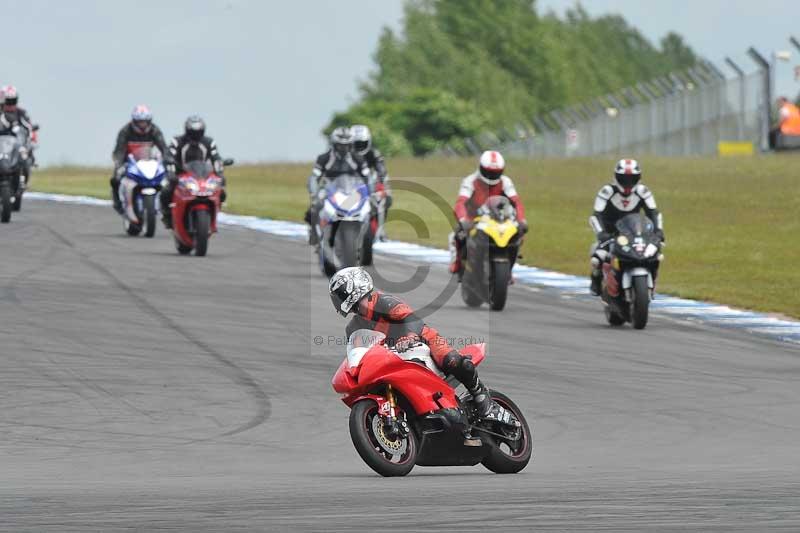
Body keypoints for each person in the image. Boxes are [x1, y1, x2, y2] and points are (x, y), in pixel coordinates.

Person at [329, 267, 520, 443]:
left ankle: (483, 401)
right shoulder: (354, 327)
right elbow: (358, 351)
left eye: (355, 303)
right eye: (351, 306)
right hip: (391, 359)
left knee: (455, 362)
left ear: (359, 289)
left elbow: (410, 318)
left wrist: (409, 336)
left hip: (423, 340)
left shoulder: (385, 302)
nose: (355, 309)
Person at [588, 158, 664, 296]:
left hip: (634, 232)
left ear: (638, 178)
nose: (628, 183)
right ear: (616, 177)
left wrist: (658, 232)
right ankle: (596, 277)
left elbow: (654, 213)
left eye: (631, 178)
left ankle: (650, 283)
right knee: (597, 257)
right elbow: (595, 216)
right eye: (624, 178)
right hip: (611, 234)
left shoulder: (643, 192)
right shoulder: (607, 191)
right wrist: (601, 234)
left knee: (655, 255)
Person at [449, 150, 528, 276]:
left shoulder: (505, 181)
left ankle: (508, 269)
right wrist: (463, 219)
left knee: (518, 233)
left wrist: (521, 219)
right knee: (458, 234)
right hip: (474, 219)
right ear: (481, 168)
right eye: (488, 172)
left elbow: (516, 201)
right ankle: (458, 262)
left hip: (498, 217)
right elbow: (461, 202)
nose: (491, 176)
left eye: (495, 173)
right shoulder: (470, 181)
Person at [304, 126, 369, 245]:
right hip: (330, 190)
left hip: (352, 191)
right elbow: (314, 177)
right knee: (315, 207)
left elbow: (367, 177)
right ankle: (314, 232)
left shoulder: (357, 158)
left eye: (347, 145)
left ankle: (367, 236)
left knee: (370, 208)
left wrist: (371, 192)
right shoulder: (324, 158)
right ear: (334, 144)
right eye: (340, 145)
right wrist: (314, 195)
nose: (343, 148)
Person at [160, 115, 225, 228]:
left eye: (198, 132)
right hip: (181, 175)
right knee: (166, 191)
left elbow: (216, 158)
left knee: (222, 192)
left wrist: (220, 174)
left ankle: (214, 213)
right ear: (187, 131)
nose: (195, 136)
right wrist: (170, 168)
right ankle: (167, 215)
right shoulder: (177, 141)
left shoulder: (209, 142)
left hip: (203, 176)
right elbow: (168, 154)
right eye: (193, 132)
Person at [110, 105, 172, 214]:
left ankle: (165, 206)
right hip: (128, 161)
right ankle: (117, 201)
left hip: (148, 160)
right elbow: (119, 150)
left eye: (145, 122)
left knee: (168, 179)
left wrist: (168, 159)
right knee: (115, 179)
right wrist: (119, 164)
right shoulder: (125, 131)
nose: (142, 125)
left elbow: (164, 148)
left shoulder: (154, 130)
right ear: (134, 121)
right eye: (140, 122)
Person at [351, 124, 392, 240]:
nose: (359, 147)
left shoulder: (374, 153)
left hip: (368, 183)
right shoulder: (344, 155)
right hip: (348, 184)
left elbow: (381, 170)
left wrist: (382, 180)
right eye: (356, 144)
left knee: (386, 196)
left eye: (362, 143)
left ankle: (381, 229)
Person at [1, 85, 37, 179]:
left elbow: (28, 127)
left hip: (15, 144)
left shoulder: (21, 113)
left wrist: (31, 138)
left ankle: (23, 179)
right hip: (2, 145)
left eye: (13, 101)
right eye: (8, 101)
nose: (11, 104)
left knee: (25, 154)